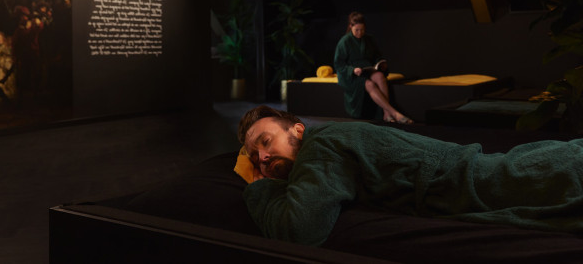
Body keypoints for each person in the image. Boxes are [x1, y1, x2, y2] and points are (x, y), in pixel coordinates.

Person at [238, 105, 583, 246]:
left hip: (474, 179)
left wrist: (258, 190)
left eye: (266, 142)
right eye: (256, 160)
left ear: (298, 130)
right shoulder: (329, 143)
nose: (263, 158)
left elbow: (301, 229)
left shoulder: (319, 147)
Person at [333, 11, 410, 123]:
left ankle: (386, 113)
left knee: (380, 76)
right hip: (351, 76)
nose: (360, 33)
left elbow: (377, 56)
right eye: (357, 30)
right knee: (369, 84)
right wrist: (352, 70)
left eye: (362, 30)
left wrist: (381, 63)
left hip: (367, 70)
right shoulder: (344, 41)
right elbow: (338, 64)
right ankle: (394, 113)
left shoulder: (369, 39)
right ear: (350, 26)